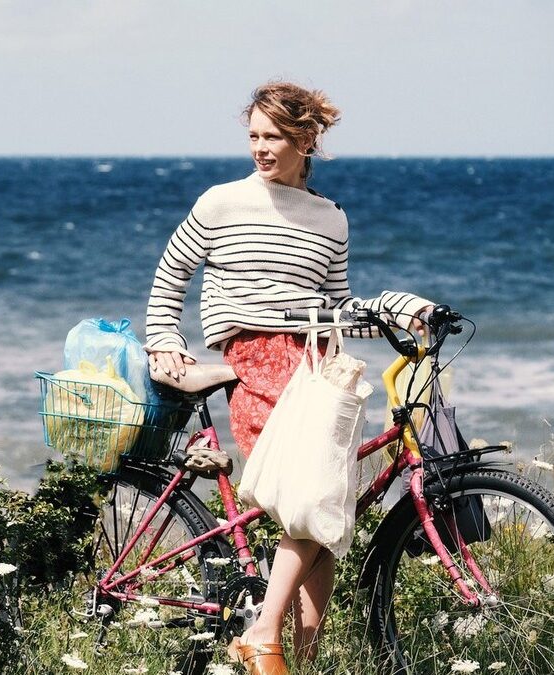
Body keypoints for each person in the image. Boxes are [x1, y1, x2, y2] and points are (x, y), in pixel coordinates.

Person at [144, 82, 431, 674]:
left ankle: (294, 660)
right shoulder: (221, 203)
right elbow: (170, 278)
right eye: (253, 136)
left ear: (306, 139)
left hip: (317, 364)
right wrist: (165, 341)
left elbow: (339, 308)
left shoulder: (330, 218)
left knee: (322, 520)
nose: (260, 148)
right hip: (256, 363)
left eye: (273, 137)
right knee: (310, 502)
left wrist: (399, 310)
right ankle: (264, 633)